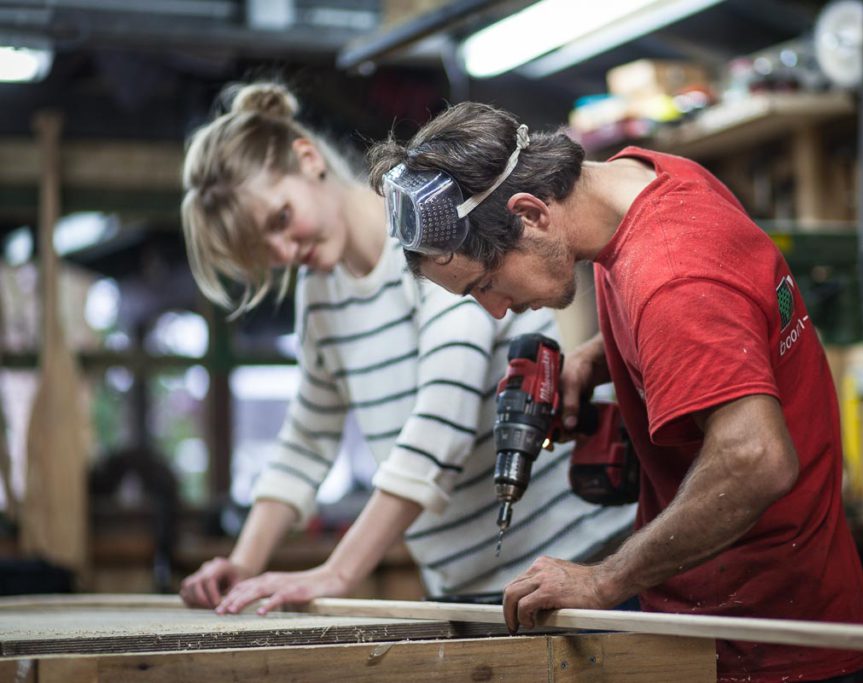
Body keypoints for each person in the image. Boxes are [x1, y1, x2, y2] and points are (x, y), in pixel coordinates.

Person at [366, 102, 863, 683]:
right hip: (740, 618)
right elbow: (722, 321)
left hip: (765, 645)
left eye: (484, 283)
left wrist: (602, 580)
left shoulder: (672, 275)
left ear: (530, 214)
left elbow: (755, 459)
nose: (496, 308)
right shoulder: (650, 177)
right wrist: (595, 359)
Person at [177, 83, 635, 615]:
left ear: (307, 159)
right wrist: (245, 563)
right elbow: (307, 438)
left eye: (279, 220)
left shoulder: (432, 234)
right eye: (264, 251)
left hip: (578, 561)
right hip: (467, 590)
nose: (284, 251)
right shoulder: (319, 294)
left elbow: (443, 419)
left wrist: (338, 571)